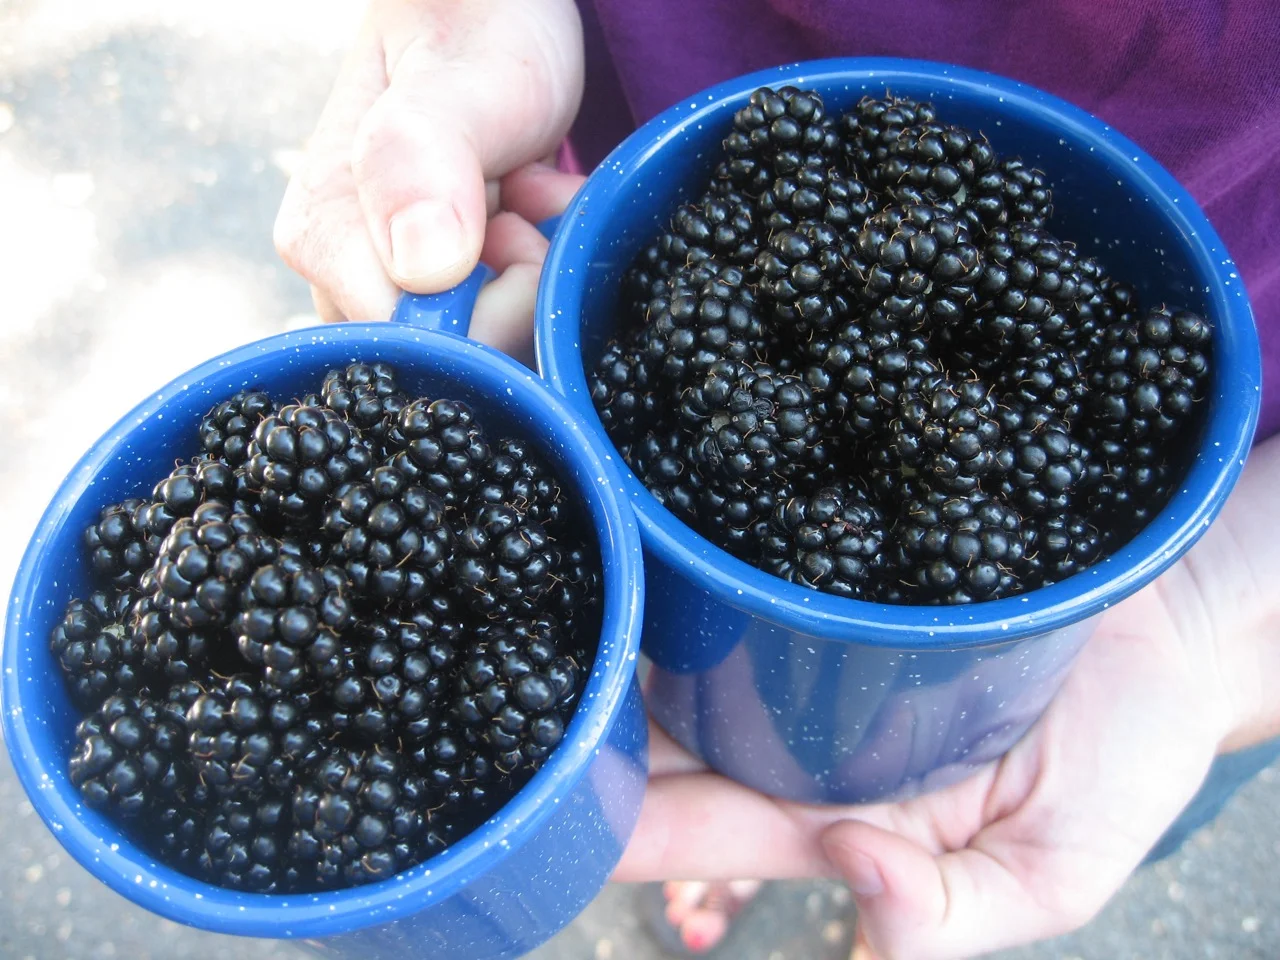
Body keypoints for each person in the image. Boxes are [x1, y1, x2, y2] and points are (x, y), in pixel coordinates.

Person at [272, 2, 1280, 957]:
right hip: (629, 125)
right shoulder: (763, 325)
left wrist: (1212, 622)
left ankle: (844, 904)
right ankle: (794, 870)